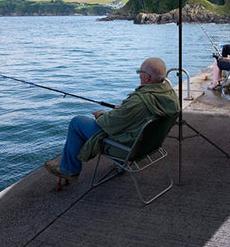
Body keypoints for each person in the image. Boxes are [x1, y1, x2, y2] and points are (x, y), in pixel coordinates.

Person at [45, 57, 180, 182]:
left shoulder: (139, 101)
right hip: (149, 145)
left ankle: (68, 169)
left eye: (140, 72)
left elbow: (109, 123)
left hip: (128, 149)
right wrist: (125, 109)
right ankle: (76, 164)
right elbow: (138, 115)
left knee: (77, 122)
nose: (139, 75)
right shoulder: (169, 95)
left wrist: (101, 114)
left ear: (146, 77)